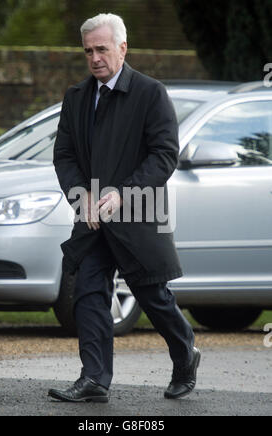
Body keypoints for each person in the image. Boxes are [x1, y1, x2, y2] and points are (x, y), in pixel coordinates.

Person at [48, 13, 200, 403]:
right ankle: (94, 378)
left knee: (154, 297)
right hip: (93, 219)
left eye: (101, 49)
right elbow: (64, 156)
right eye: (88, 51)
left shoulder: (151, 93)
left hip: (139, 213)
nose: (95, 57)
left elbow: (164, 156)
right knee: (88, 292)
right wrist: (81, 196)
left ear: (122, 48)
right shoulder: (77, 97)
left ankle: (185, 354)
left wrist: (122, 194)